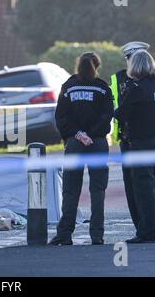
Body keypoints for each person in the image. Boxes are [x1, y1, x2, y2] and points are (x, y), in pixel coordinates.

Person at [110, 42, 155, 242]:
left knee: (143, 188)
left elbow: (121, 114)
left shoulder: (136, 88)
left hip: (140, 145)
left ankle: (147, 232)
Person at [49, 52, 114, 246]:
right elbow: (107, 116)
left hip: (75, 144)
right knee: (98, 190)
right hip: (98, 143)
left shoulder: (68, 87)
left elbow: (61, 117)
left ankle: (64, 234)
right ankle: (97, 235)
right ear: (97, 66)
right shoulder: (103, 88)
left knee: (70, 190)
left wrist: (78, 134)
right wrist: (92, 134)